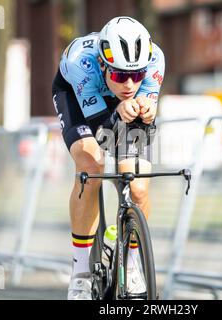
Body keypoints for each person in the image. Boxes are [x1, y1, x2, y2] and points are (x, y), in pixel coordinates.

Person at [51, 16, 165, 300]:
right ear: (103, 64)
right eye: (120, 75)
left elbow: (142, 121)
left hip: (118, 106)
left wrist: (147, 111)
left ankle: (133, 259)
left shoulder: (155, 60)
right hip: (77, 96)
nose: (129, 83)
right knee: (92, 165)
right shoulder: (82, 63)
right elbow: (103, 131)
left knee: (137, 185)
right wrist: (119, 112)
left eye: (136, 75)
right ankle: (79, 274)